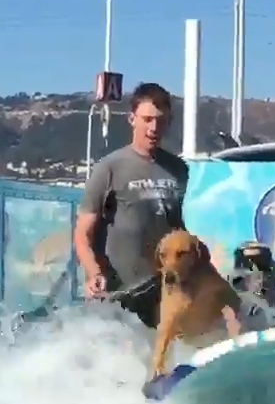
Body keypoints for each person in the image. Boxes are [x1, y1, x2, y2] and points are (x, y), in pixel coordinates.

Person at [72, 82, 190, 329]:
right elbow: (83, 234)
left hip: (163, 292)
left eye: (161, 120)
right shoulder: (110, 167)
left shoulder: (179, 170)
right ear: (132, 119)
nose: (153, 128)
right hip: (117, 295)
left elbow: (180, 229)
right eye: (147, 119)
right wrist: (94, 273)